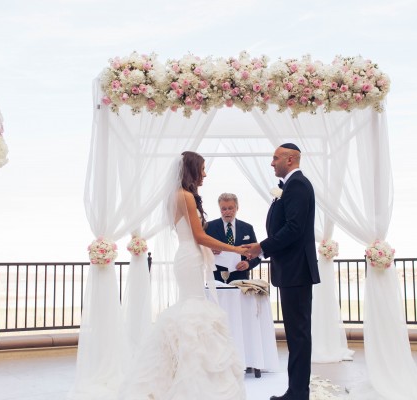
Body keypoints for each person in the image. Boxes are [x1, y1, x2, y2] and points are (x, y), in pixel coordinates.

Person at [119, 151, 248, 400]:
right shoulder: (185, 196)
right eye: (202, 169)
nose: (205, 174)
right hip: (189, 258)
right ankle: (193, 375)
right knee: (193, 312)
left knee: (190, 310)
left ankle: (180, 369)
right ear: (192, 170)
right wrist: (236, 249)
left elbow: (193, 234)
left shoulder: (176, 195)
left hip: (188, 255)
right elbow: (198, 236)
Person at [244, 143, 320, 400]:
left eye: (275, 158)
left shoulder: (297, 184)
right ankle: (296, 391)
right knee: (296, 334)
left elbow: (294, 228)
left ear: (290, 159)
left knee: (298, 335)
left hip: (296, 271)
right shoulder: (289, 186)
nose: (272, 162)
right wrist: (263, 250)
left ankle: (298, 394)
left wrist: (261, 247)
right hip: (292, 271)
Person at [205, 192, 261, 283]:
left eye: (230, 208)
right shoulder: (209, 227)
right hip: (216, 280)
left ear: (237, 208)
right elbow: (200, 249)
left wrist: (248, 264)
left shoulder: (248, 228)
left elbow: (257, 254)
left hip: (241, 279)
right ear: (220, 209)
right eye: (224, 209)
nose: (227, 211)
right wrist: (208, 251)